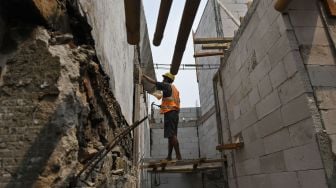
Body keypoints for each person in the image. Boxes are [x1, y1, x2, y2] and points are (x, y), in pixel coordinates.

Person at [142, 72, 182, 160]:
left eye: (164, 78)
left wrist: (144, 75)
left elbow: (154, 82)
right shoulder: (174, 89)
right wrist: (163, 106)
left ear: (167, 79)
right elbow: (175, 102)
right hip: (174, 113)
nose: (163, 80)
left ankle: (179, 156)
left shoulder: (166, 85)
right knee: (171, 135)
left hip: (170, 113)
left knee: (172, 135)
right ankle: (169, 156)